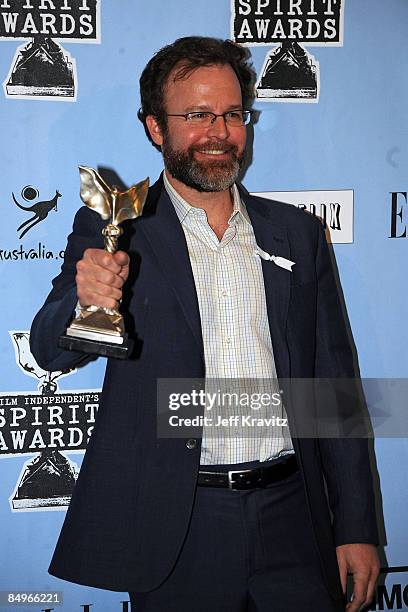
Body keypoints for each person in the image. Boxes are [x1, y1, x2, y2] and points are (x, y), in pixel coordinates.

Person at [30, 36, 380, 612]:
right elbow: (48, 349)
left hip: (294, 516)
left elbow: (333, 391)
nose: (220, 132)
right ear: (154, 128)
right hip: (177, 526)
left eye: (233, 114)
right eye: (196, 115)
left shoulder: (296, 234)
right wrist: (81, 300)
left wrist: (357, 525)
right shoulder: (117, 225)